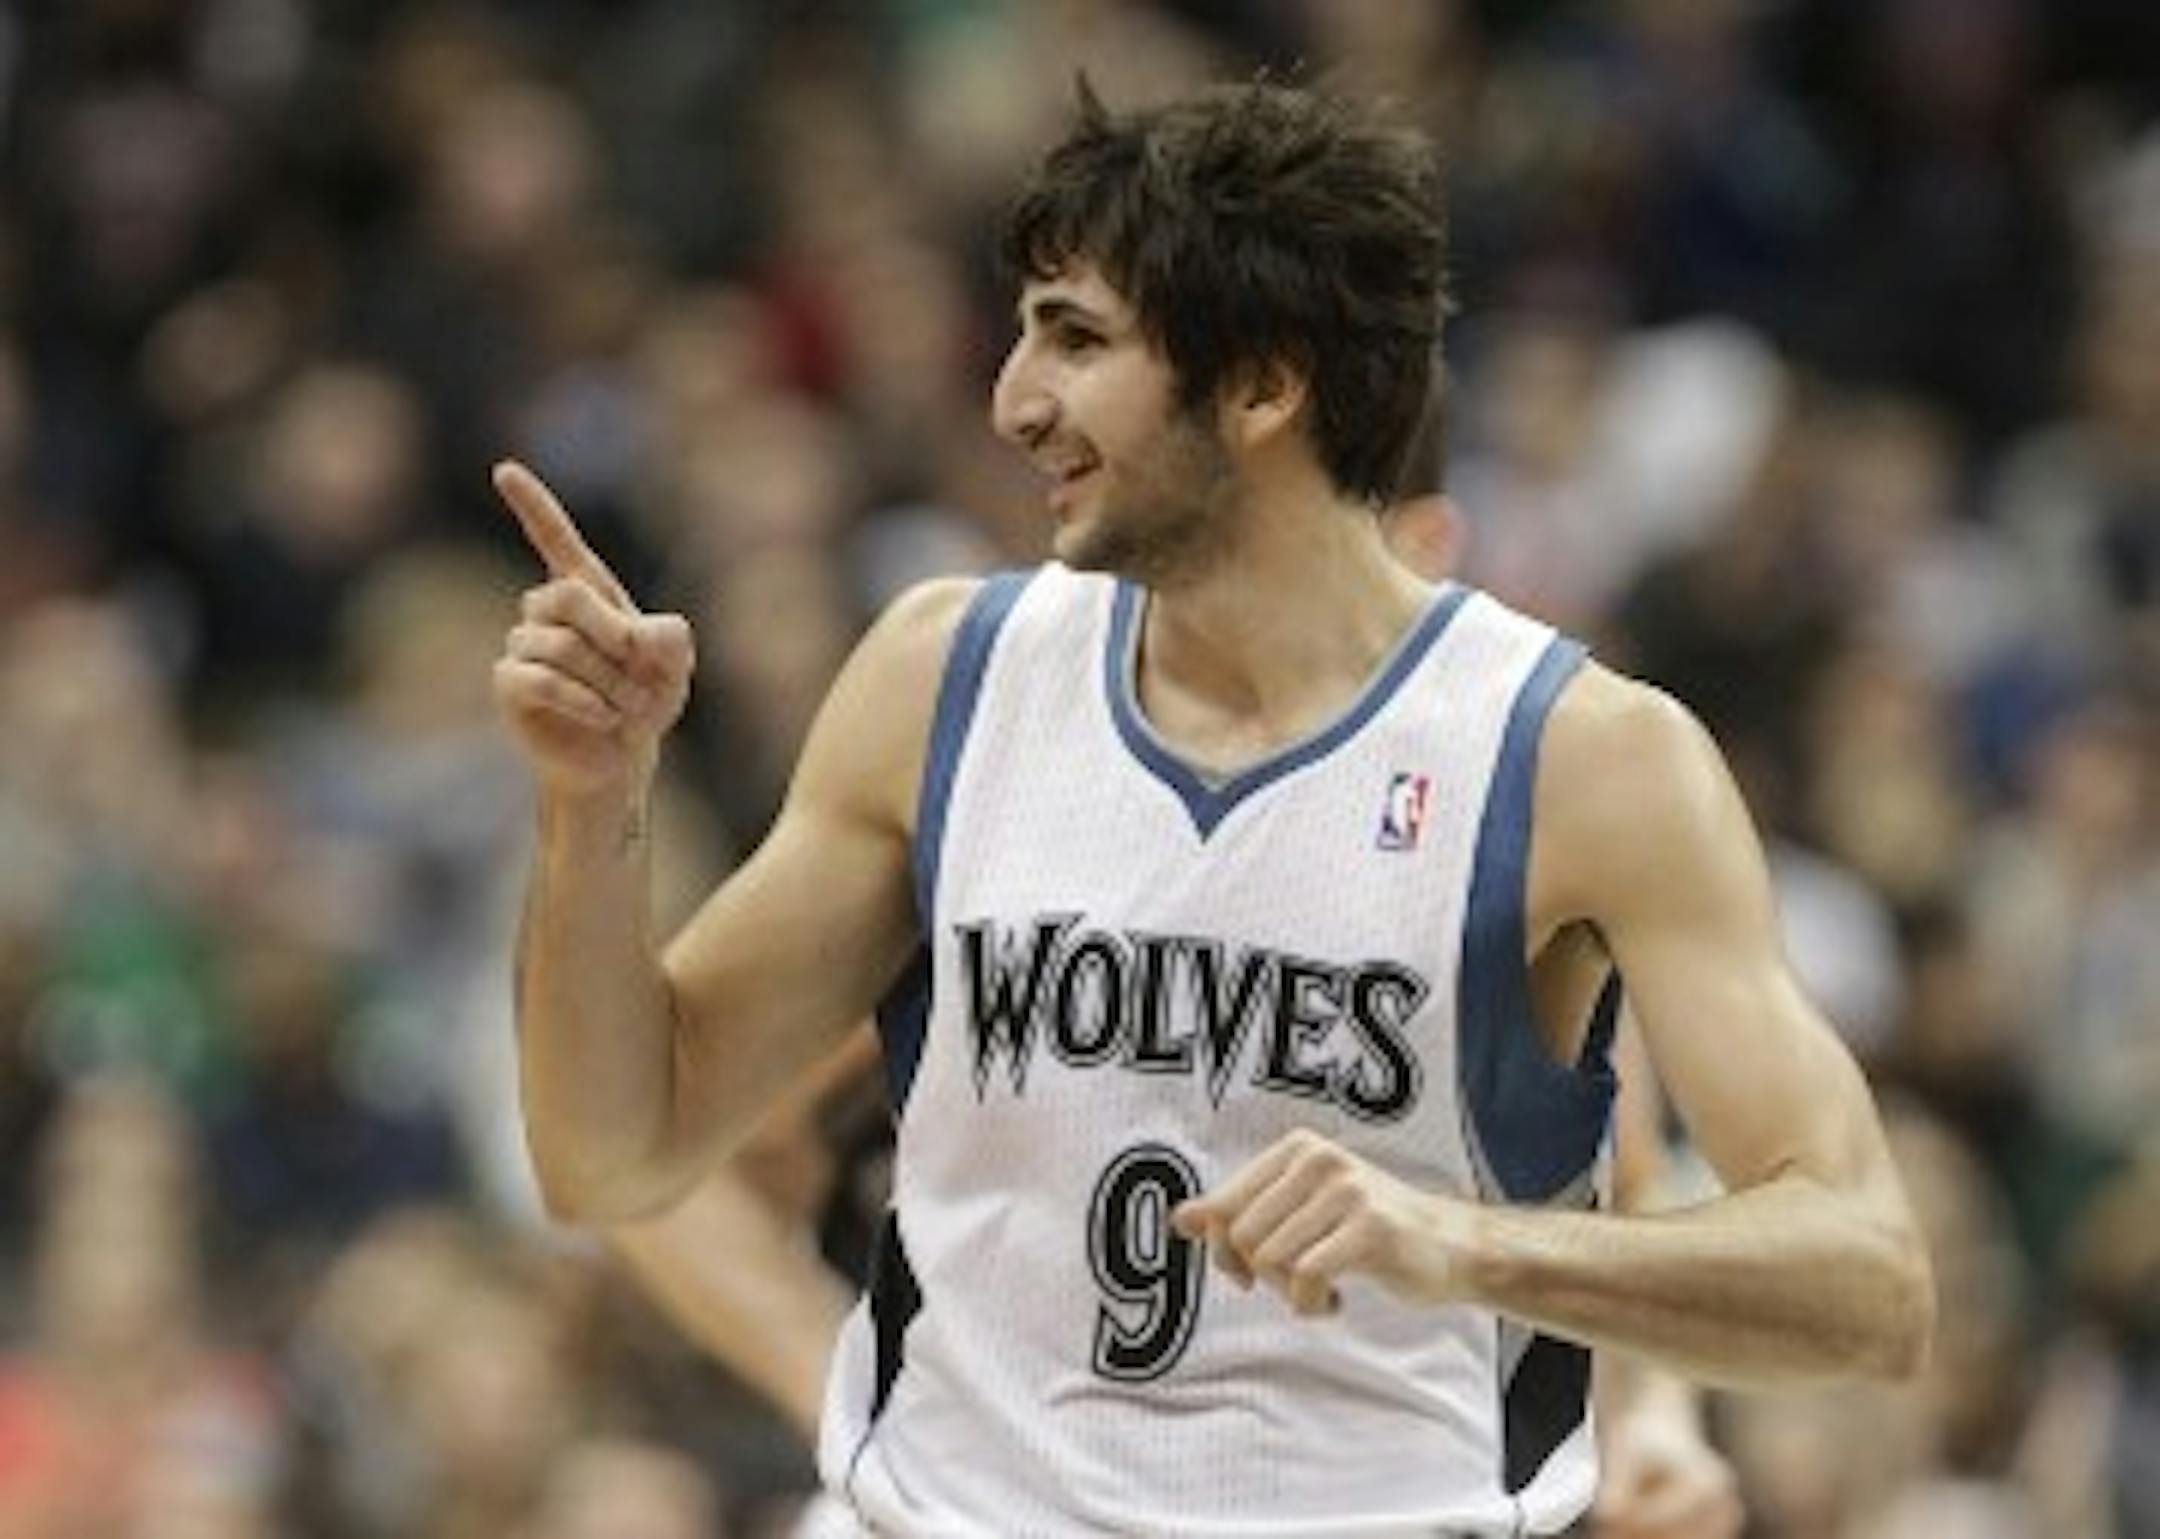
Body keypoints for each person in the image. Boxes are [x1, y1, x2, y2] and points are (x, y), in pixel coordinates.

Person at [492, 80, 1932, 1538]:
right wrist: (592, 804)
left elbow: (1868, 1283)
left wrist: (1472, 1247)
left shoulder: (1580, 758)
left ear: (1259, 386)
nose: (1013, 400)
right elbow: (610, 1152)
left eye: (1077, 340)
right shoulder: (945, 677)